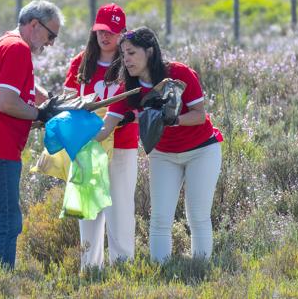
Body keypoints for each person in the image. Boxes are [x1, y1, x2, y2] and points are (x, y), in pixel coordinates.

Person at [95, 26, 222, 262]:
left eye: (131, 53)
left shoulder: (179, 73)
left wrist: (174, 120)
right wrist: (69, 129)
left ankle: (200, 269)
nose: (126, 59)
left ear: (150, 51)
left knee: (197, 216)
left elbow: (199, 116)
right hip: (163, 155)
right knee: (160, 218)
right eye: (123, 54)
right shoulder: (128, 89)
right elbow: (104, 130)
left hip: (202, 150)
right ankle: (160, 270)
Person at [0, 0, 64, 270]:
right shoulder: (17, 49)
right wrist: (41, 114)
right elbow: (6, 102)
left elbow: (20, 83)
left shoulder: (5, 42)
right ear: (33, 25)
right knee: (8, 222)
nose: (51, 43)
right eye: (51, 35)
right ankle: (1, 282)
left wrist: (48, 99)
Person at [63, 3, 139, 268]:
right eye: (100, 31)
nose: (105, 37)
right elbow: (69, 101)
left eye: (112, 31)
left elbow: (138, 103)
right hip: (87, 147)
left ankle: (122, 266)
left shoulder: (131, 63)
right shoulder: (81, 62)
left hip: (122, 145)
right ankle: (90, 269)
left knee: (119, 209)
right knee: (89, 210)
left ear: (122, 33)